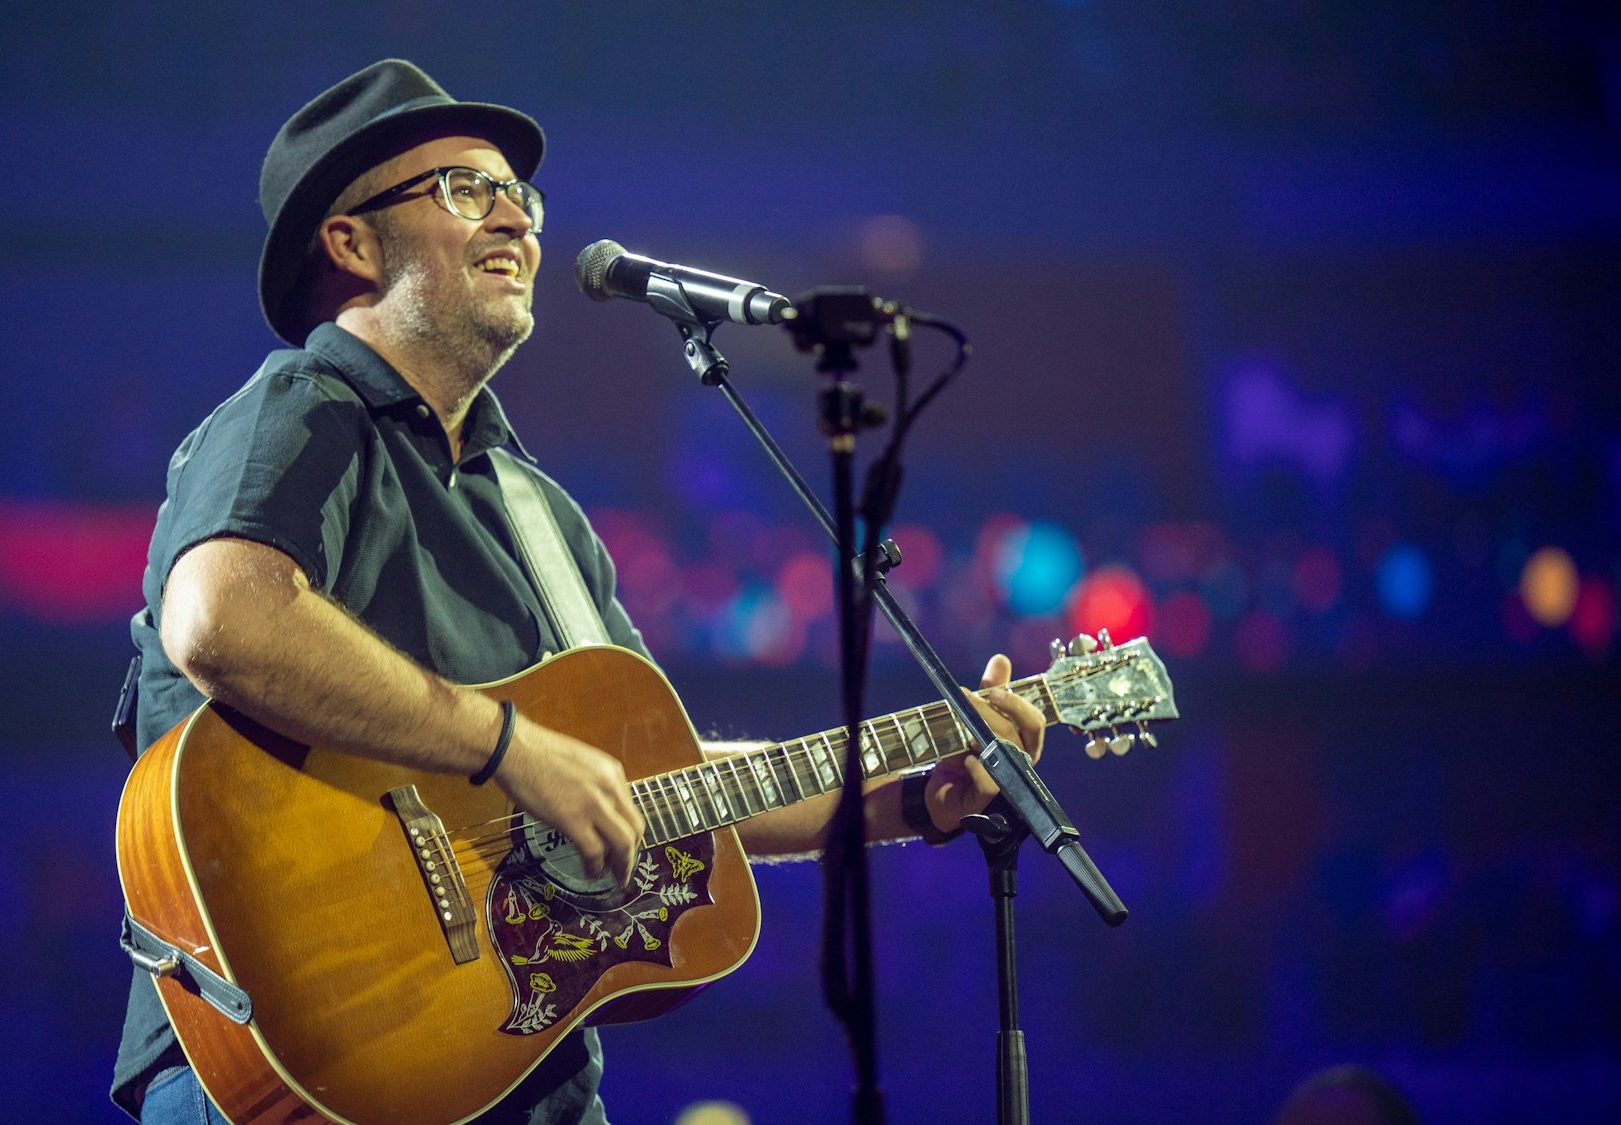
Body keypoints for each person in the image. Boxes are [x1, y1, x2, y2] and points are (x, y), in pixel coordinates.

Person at [111, 59, 1045, 1125]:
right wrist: (512, 748)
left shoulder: (540, 512)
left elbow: (653, 781)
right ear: (351, 242)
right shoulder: (300, 407)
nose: (515, 215)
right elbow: (220, 618)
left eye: (522, 194)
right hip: (290, 1052)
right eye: (464, 188)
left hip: (519, 1081)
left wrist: (915, 789)